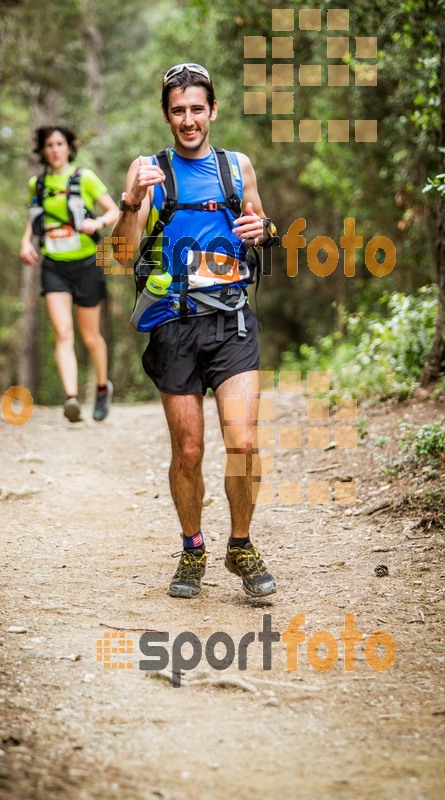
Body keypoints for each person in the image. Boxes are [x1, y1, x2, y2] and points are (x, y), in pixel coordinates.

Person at [112, 63, 277, 599]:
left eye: (196, 109)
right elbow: (117, 256)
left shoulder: (237, 168)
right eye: (178, 110)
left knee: (244, 441)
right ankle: (192, 549)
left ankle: (242, 544)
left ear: (212, 111)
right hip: (173, 327)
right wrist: (132, 200)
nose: (188, 120)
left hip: (231, 321)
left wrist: (265, 231)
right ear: (166, 114)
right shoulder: (148, 173)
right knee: (188, 452)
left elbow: (261, 227)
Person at [19, 125, 119, 422]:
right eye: (49, 145)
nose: (55, 149)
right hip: (54, 265)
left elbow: (114, 210)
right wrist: (25, 241)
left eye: (60, 144)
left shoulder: (84, 178)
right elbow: (33, 217)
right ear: (42, 150)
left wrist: (98, 222)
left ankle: (102, 388)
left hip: (87, 263)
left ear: (69, 148)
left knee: (90, 336)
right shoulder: (36, 184)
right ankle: (72, 398)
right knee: (63, 332)